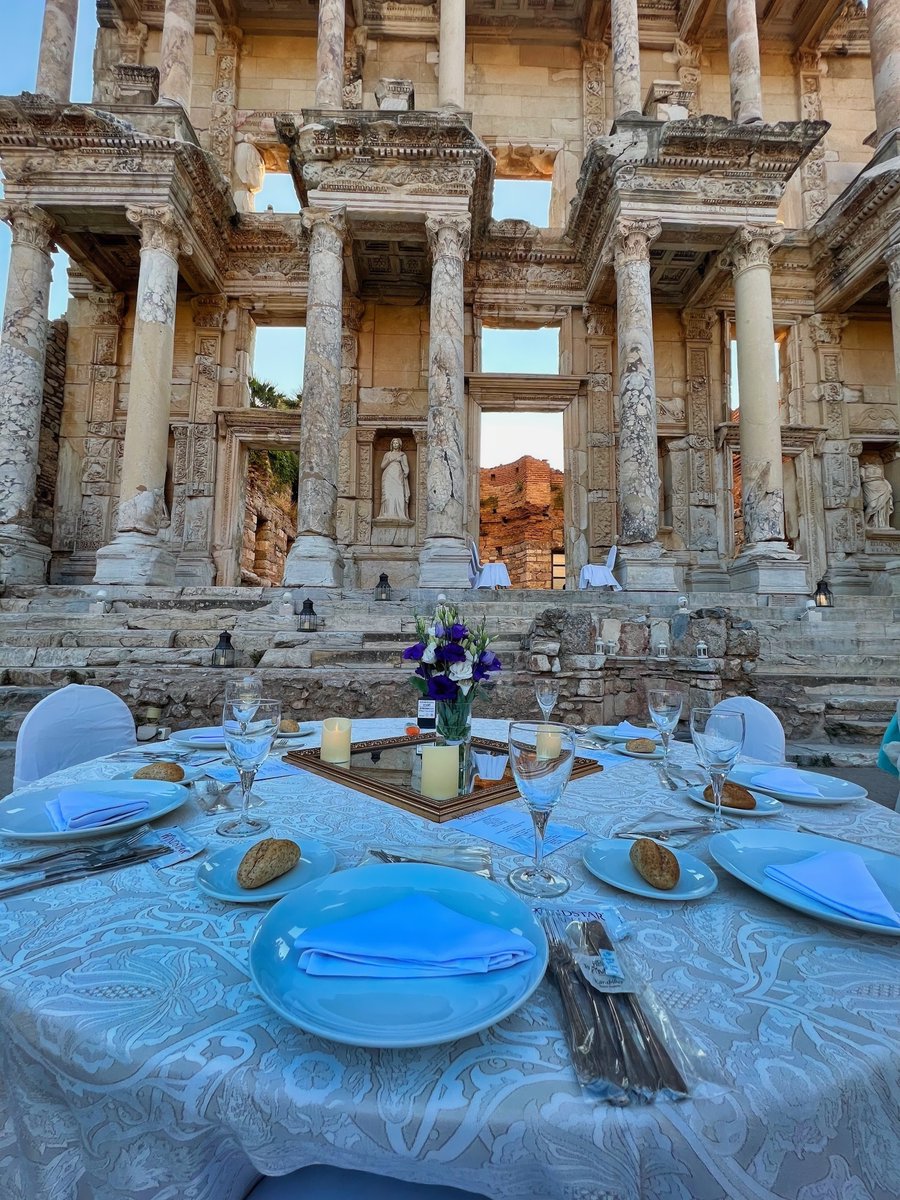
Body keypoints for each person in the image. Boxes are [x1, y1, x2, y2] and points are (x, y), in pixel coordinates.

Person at [378, 438, 410, 521]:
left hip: (398, 475)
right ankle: (388, 513)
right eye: (394, 443)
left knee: (399, 493)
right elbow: (382, 466)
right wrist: (390, 460)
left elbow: (406, 467)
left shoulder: (402, 455)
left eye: (396, 443)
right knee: (388, 494)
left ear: (399, 445)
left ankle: (400, 514)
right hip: (388, 475)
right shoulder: (387, 454)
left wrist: (406, 472)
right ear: (391, 445)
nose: (395, 445)